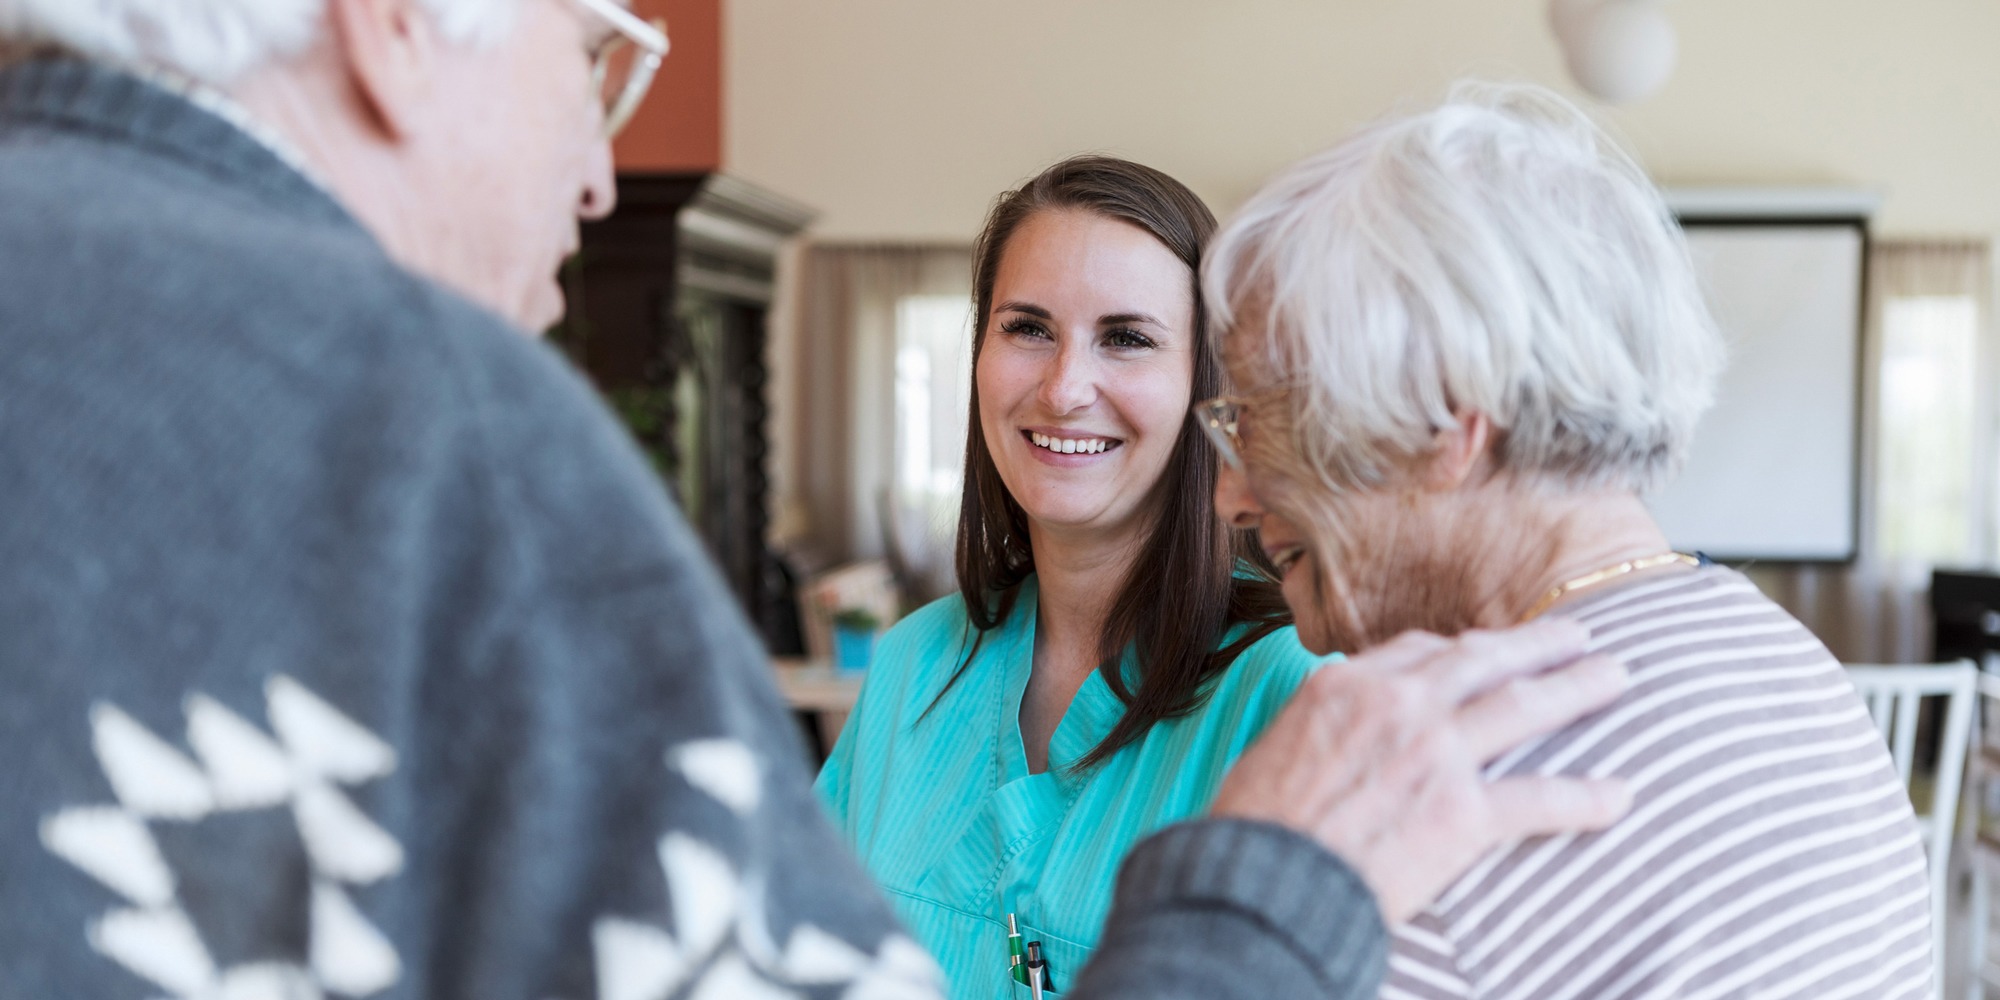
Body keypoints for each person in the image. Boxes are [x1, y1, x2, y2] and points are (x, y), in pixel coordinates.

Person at [0, 1, 1629, 996]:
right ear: (395, 22)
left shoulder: (1314, 696)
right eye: (599, 54)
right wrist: (1278, 901)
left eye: (1132, 340)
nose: (592, 169)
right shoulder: (448, 433)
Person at [1201, 82, 1934, 1000]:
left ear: (1440, 419)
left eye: (1258, 416)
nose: (1231, 491)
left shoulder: (1436, 810)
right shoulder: (1796, 669)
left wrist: (1248, 886)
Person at [815, 156, 1319, 998]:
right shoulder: (910, 668)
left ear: (1208, 381)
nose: (1064, 387)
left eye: (1126, 338)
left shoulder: (1294, 691)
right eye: (1027, 328)